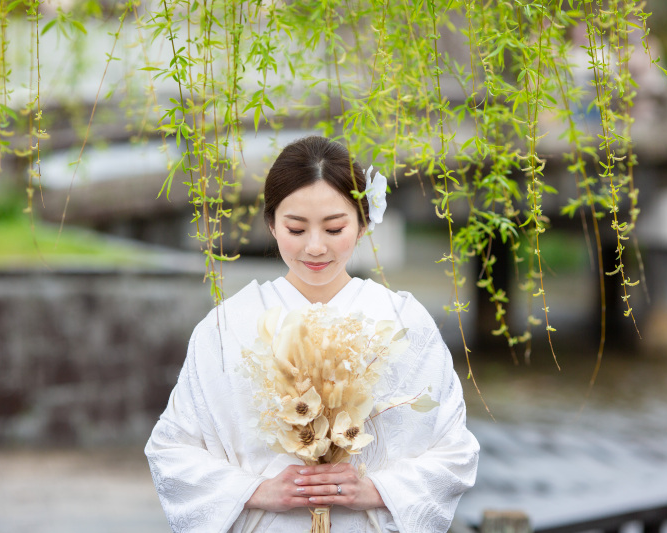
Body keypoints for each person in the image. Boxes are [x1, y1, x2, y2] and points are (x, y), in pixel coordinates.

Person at [145, 136, 479, 532]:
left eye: (335, 227)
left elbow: (454, 450)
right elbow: (171, 449)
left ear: (363, 223)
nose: (316, 247)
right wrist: (253, 490)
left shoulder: (401, 321)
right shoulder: (227, 325)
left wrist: (376, 490)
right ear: (271, 224)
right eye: (296, 228)